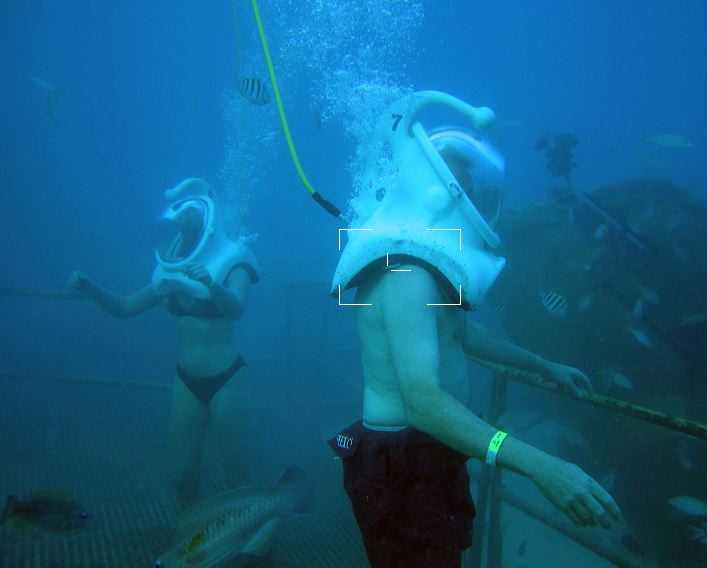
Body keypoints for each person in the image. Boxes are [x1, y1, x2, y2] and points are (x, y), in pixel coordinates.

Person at [328, 91, 621, 567]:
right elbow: (422, 401)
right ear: (435, 191)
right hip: (404, 460)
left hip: (430, 448)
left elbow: (458, 335)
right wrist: (542, 466)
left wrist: (543, 365)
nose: (472, 197)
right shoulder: (405, 272)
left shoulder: (421, 263)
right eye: (461, 184)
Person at [68, 178, 259, 508]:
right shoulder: (173, 268)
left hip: (227, 379)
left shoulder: (234, 264)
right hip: (186, 380)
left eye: (190, 225)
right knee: (181, 477)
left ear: (207, 226)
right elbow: (126, 307)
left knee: (236, 477)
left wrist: (212, 285)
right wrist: (91, 288)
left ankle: (251, 535)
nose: (183, 232)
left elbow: (237, 309)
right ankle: (193, 536)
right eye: (180, 226)